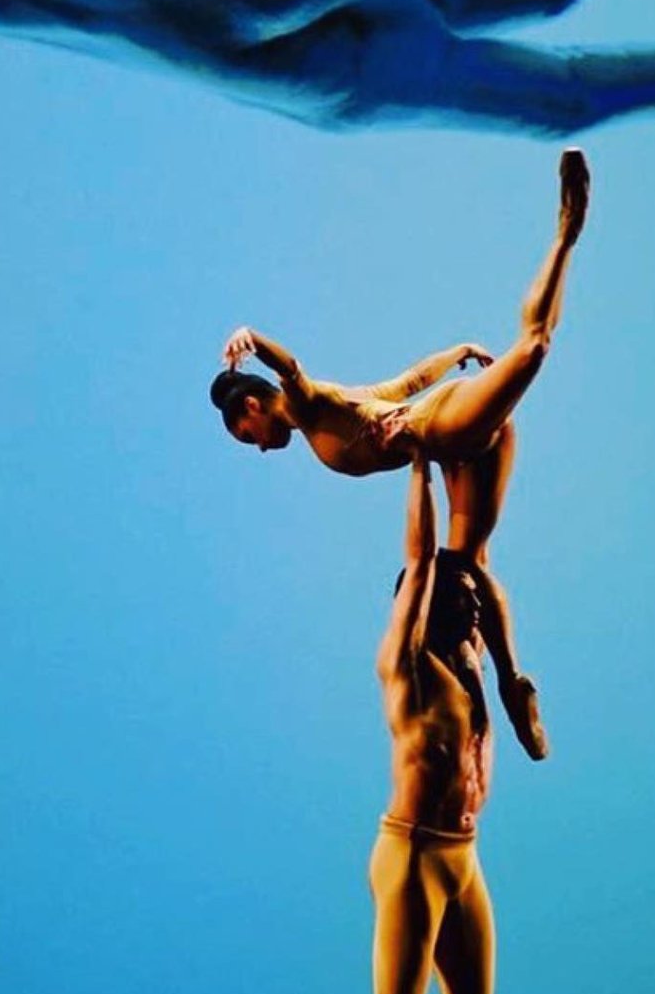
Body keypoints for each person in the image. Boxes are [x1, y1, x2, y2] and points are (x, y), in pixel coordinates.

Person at [210, 149, 591, 758]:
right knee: (466, 566)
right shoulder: (338, 407)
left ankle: (566, 233)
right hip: (449, 453)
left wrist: (253, 340)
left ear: (252, 408)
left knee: (533, 348)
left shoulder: (305, 405)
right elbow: (405, 382)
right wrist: (457, 351)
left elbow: (293, 368)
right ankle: (510, 684)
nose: (257, 448)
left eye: (245, 435)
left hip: (444, 423)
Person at [359, 454, 497, 994]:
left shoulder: (469, 666)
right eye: (460, 600)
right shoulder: (405, 666)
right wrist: (417, 463)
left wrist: (462, 469)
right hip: (411, 854)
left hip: (461, 855)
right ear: (424, 605)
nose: (473, 609)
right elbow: (421, 560)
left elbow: (476, 562)